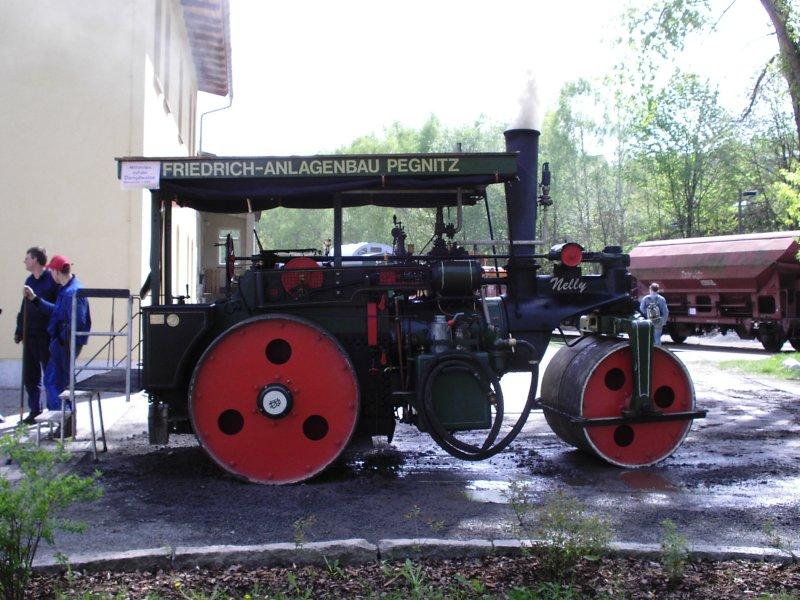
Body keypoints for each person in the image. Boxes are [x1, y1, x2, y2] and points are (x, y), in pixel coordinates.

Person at [23, 255, 91, 433]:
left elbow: (78, 322)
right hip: (63, 343)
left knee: (55, 381)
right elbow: (57, 312)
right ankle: (65, 423)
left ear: (56, 271)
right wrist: (35, 299)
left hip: (64, 344)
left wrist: (63, 339)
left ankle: (64, 423)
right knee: (60, 382)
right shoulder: (67, 290)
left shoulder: (72, 292)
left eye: (51, 270)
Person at [15, 247, 59, 425]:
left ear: (35, 260)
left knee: (49, 375)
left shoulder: (51, 280)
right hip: (30, 334)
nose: (24, 261)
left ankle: (53, 413)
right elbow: (24, 307)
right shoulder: (29, 280)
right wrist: (19, 329)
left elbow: (56, 308)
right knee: (30, 376)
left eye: (27, 258)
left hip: (46, 335)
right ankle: (35, 410)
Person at [640, 282, 669, 346]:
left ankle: (650, 353)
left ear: (650, 289)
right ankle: (657, 352)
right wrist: (663, 321)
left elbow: (641, 309)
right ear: (657, 290)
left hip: (648, 321)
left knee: (649, 338)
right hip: (658, 321)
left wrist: (647, 314)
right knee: (657, 338)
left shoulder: (645, 298)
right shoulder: (661, 299)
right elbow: (665, 311)